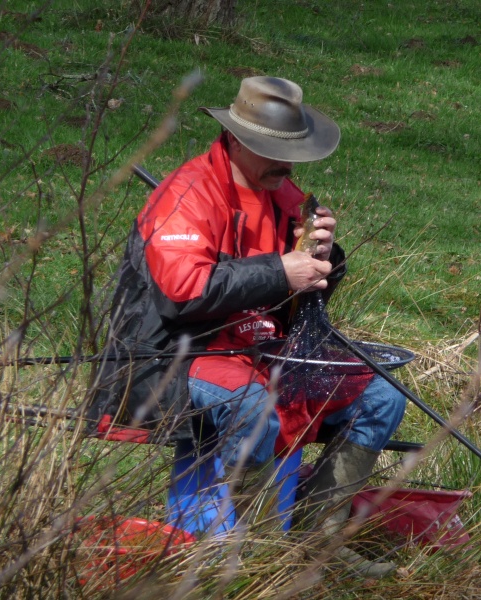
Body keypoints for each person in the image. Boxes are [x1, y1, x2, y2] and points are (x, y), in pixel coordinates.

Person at [90, 76, 406, 577]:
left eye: (293, 151)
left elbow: (292, 293)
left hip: (263, 349)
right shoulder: (187, 194)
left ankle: (315, 543)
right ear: (235, 139)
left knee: (381, 398)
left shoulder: (284, 195)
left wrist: (325, 261)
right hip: (176, 353)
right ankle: (263, 559)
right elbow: (183, 294)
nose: (286, 164)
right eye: (271, 150)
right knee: (253, 409)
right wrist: (283, 270)